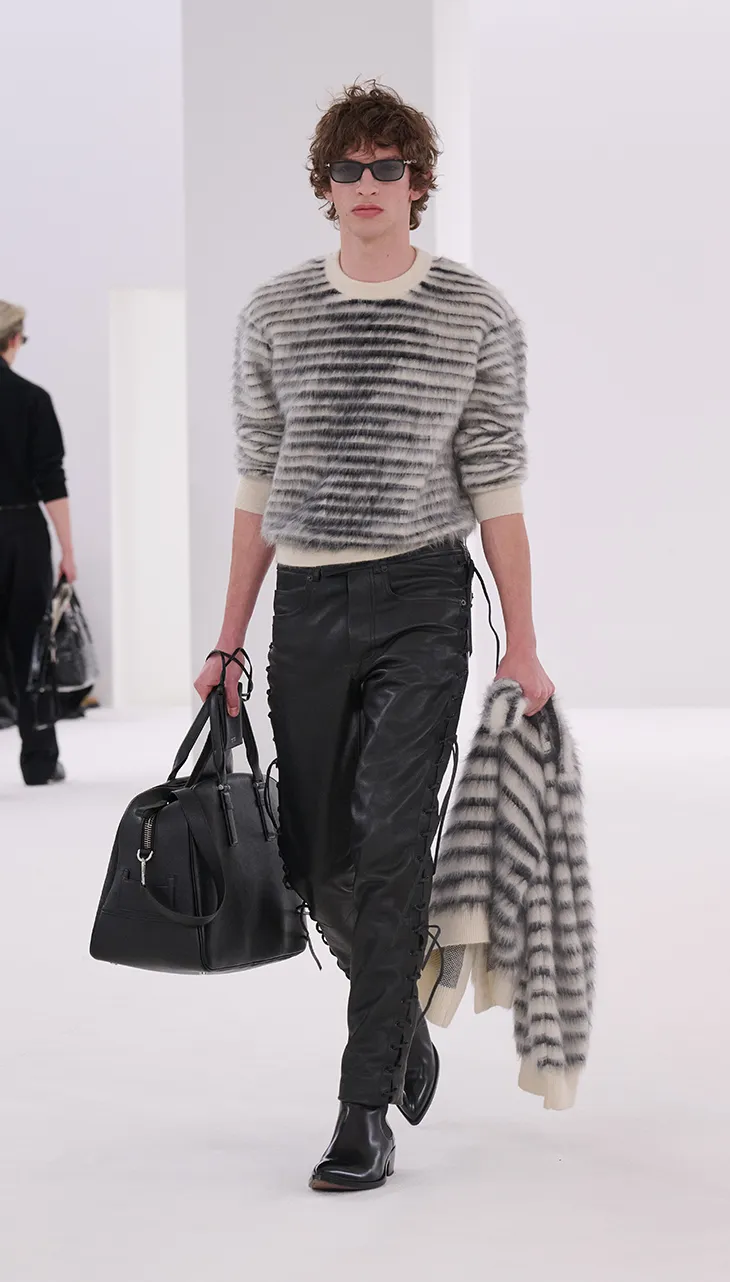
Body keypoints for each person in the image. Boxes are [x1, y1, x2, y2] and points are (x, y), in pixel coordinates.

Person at [194, 80, 555, 1192]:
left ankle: (361, 1112)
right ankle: (398, 1014)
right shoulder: (275, 311)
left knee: (393, 841)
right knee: (312, 858)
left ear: (416, 182)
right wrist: (227, 638)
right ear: (325, 186)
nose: (366, 185)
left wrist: (524, 643)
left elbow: (498, 485)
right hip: (305, 604)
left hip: (421, 599)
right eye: (347, 168)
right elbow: (257, 482)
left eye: (386, 166)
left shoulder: (474, 312)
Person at [0, 301, 77, 785]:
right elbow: (52, 479)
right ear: (13, 340)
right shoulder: (32, 399)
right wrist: (68, 551)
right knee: (31, 645)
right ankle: (39, 760)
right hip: (22, 531)